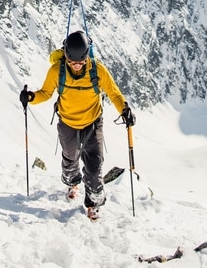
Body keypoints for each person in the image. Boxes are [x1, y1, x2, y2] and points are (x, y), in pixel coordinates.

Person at [20, 30, 136, 220]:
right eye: (71, 61)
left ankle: (93, 203)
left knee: (94, 167)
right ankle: (72, 182)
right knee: (70, 159)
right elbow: (46, 93)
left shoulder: (97, 70)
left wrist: (125, 110)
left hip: (92, 123)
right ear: (65, 55)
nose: (75, 66)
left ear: (86, 58)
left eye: (80, 62)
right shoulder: (57, 71)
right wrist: (31, 97)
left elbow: (114, 93)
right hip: (67, 123)